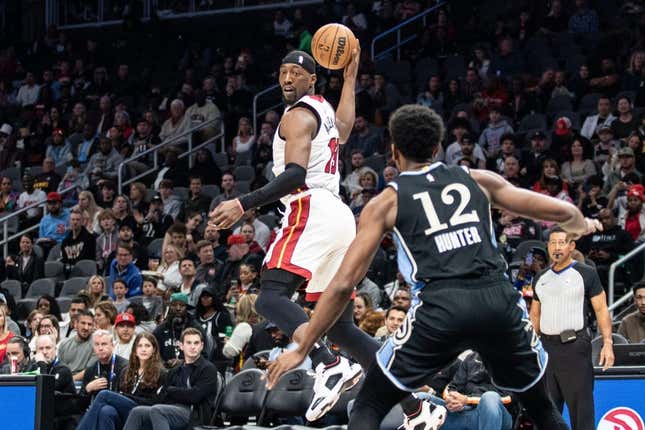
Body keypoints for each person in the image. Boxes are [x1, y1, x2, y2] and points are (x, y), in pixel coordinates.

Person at [266, 104, 602, 429]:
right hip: (498, 302)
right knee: (542, 408)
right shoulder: (478, 179)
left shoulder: (387, 201)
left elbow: (342, 285)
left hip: (441, 309)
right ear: (439, 147)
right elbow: (560, 212)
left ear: (394, 151)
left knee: (368, 406)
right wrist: (581, 224)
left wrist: (305, 346)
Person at [210, 47, 383, 421]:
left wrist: (242, 204)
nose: (287, 79)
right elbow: (346, 127)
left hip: (311, 207)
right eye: (283, 71)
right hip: (338, 216)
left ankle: (326, 363)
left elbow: (294, 175)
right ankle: (413, 404)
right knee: (341, 326)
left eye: (296, 73)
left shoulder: (296, 115)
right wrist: (351, 77)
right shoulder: (322, 108)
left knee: (269, 298)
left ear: (312, 79)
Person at [530, 227, 614, 430]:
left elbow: (601, 309)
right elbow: (535, 315)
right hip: (546, 350)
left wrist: (608, 343)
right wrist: (531, 348)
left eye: (561, 243)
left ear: (571, 246)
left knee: (581, 411)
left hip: (575, 347)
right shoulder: (540, 278)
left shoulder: (586, 273)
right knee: (547, 410)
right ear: (548, 247)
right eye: (553, 243)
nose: (557, 247)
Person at [123, 328, 220, 430]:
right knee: (137, 411)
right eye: (189, 343)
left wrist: (171, 390)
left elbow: (194, 396)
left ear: (202, 346)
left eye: (196, 343)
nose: (192, 347)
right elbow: (161, 397)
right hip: (170, 408)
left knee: (157, 410)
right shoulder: (176, 370)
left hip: (193, 413)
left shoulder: (208, 368)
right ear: (181, 346)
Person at [75, 332, 166, 430]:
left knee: (104, 394)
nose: (143, 349)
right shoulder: (128, 370)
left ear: (154, 350)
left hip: (144, 412)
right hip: (127, 411)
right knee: (106, 411)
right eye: (140, 346)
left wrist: (126, 396)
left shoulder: (161, 372)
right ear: (135, 350)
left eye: (147, 346)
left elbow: (157, 402)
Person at [77, 330, 129, 412]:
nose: (100, 348)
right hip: (96, 410)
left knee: (105, 411)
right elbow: (80, 406)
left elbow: (124, 398)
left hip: (116, 411)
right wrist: (88, 389)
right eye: (97, 344)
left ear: (113, 345)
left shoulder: (124, 366)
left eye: (104, 344)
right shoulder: (91, 370)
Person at [57, 309, 95, 380]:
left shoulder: (97, 344)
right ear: (75, 324)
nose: (86, 328)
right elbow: (60, 369)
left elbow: (88, 371)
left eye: (89, 324)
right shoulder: (64, 344)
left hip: (84, 383)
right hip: (65, 382)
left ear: (93, 327)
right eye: (83, 323)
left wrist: (69, 381)